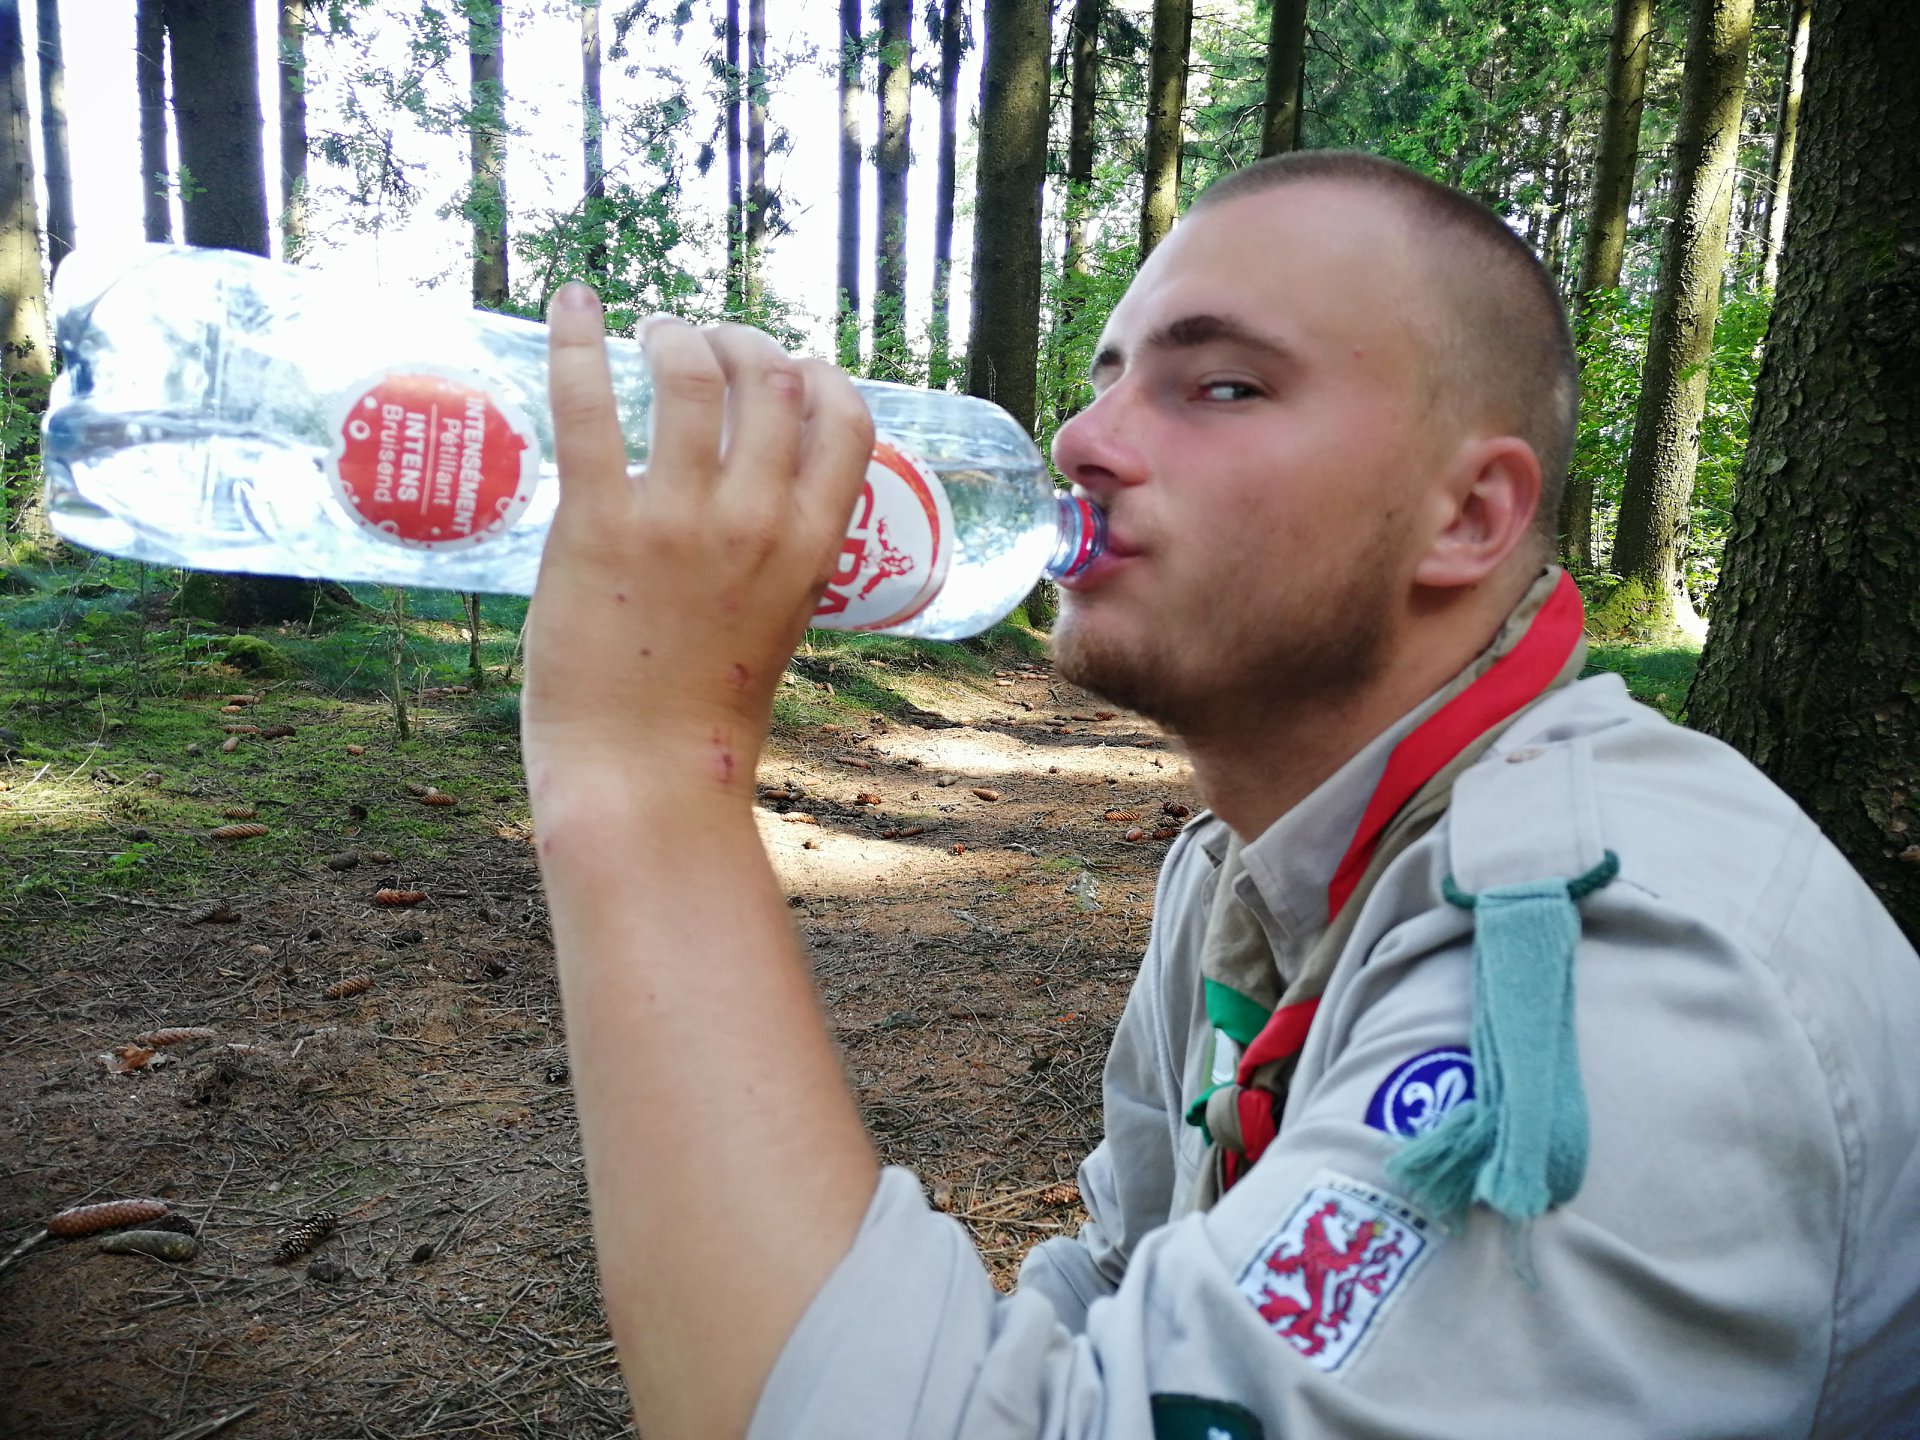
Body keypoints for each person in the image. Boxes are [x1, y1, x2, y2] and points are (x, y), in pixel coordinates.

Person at [520, 150, 1920, 1440]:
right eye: (1109, 375)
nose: (1081, 438)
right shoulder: (1240, 875)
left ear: (1470, 515)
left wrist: (647, 772)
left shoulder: (1619, 979)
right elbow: (1133, 1269)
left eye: (1224, 386)